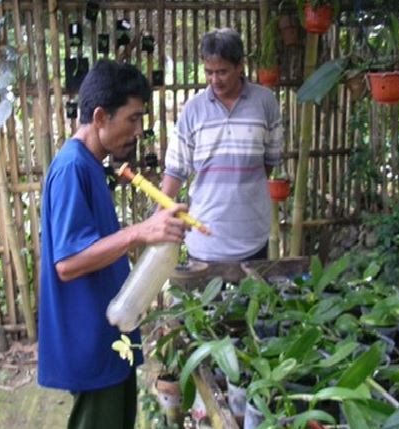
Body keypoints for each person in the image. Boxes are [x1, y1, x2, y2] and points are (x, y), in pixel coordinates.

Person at [37, 59, 188, 429]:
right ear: (101, 116)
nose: (138, 130)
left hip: (109, 334)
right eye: (132, 119)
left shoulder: (90, 163)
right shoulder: (72, 167)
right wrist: (140, 232)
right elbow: (68, 263)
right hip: (90, 340)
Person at [160, 28, 284, 262]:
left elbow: (269, 161)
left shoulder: (265, 103)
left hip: (252, 238)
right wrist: (158, 216)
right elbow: (176, 169)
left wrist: (241, 186)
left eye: (222, 72)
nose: (214, 79)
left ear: (240, 66)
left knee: (252, 299)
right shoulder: (193, 109)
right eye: (208, 72)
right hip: (204, 241)